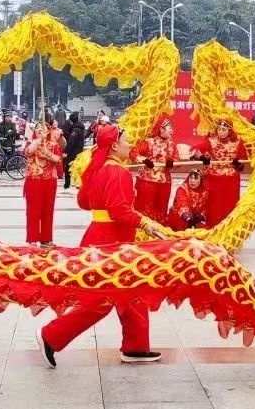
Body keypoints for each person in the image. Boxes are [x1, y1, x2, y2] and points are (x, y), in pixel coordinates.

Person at [37, 124, 164, 367]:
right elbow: (118, 210)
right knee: (100, 302)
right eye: (127, 140)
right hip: (110, 242)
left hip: (104, 237)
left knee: (132, 292)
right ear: (115, 145)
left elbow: (85, 202)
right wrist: (144, 223)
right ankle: (51, 336)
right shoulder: (117, 172)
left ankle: (136, 347)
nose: (131, 144)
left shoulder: (100, 170)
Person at [193, 119, 248, 227]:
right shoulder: (211, 141)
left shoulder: (238, 143)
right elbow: (195, 151)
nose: (221, 132)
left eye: (224, 129)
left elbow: (242, 165)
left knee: (230, 205)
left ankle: (228, 230)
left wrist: (238, 164)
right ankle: (213, 229)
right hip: (214, 179)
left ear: (230, 131)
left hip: (231, 180)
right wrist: (202, 158)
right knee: (214, 205)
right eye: (219, 129)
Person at [23, 118, 64, 246]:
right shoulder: (32, 142)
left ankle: (46, 238)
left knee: (48, 210)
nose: (42, 131)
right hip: (34, 180)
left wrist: (49, 154)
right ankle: (32, 239)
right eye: (39, 129)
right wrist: (39, 140)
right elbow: (27, 152)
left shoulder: (53, 144)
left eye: (44, 129)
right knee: (33, 211)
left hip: (50, 180)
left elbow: (59, 160)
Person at [131, 115, 178, 224]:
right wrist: (144, 160)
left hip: (165, 182)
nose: (172, 130)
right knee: (147, 210)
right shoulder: (148, 142)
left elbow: (177, 160)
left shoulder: (172, 145)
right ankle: (144, 234)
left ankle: (159, 234)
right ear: (161, 129)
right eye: (169, 127)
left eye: (172, 127)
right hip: (148, 182)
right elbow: (133, 153)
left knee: (162, 211)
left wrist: (172, 163)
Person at [62, 112, 86, 189]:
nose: (80, 117)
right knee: (78, 168)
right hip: (79, 151)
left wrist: (65, 150)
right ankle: (78, 183)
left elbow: (71, 142)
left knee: (68, 168)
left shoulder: (75, 130)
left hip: (73, 152)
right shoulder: (80, 128)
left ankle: (67, 184)